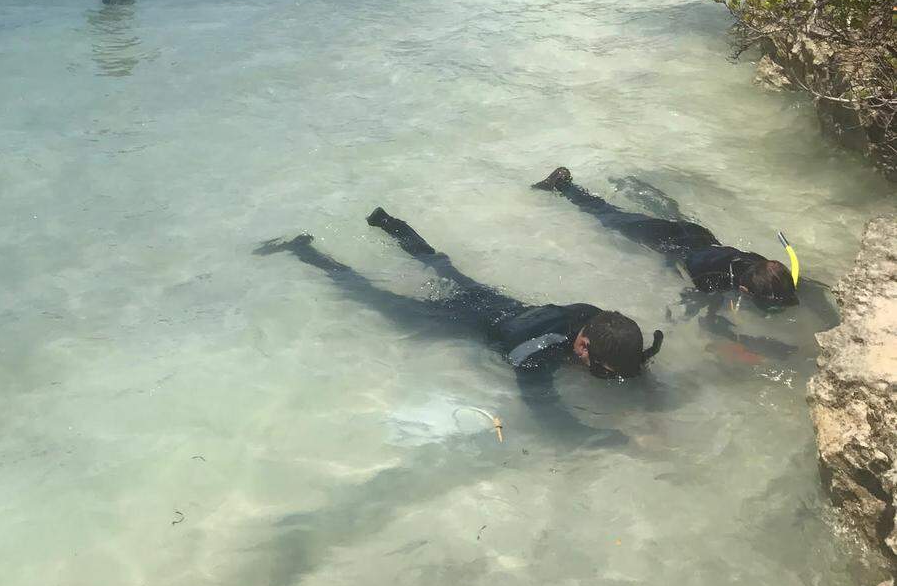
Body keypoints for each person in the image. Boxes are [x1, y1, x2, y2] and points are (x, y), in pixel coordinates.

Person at [257, 209, 662, 379]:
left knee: (439, 264)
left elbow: (623, 357)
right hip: (462, 320)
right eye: (597, 366)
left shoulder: (592, 314)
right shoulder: (538, 352)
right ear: (585, 341)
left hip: (496, 303)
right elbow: (541, 402)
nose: (596, 373)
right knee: (369, 295)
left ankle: (387, 222)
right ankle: (302, 250)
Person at [532, 167, 798, 306]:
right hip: (671, 241)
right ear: (743, 289)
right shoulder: (713, 279)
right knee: (609, 217)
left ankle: (633, 187)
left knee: (660, 214)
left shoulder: (760, 265)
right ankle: (563, 184)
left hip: (700, 236)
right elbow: (682, 267)